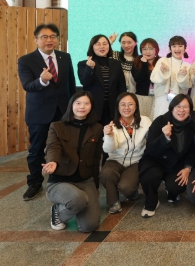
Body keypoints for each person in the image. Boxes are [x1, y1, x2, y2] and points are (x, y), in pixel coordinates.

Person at [17, 23, 77, 201]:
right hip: (39, 114)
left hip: (63, 112)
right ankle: (35, 182)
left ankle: (63, 178)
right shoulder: (26, 60)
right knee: (36, 150)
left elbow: (71, 85)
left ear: (57, 39)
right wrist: (42, 80)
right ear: (36, 40)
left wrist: (73, 109)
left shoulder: (65, 57)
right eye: (44, 37)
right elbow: (28, 86)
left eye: (52, 36)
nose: (49, 40)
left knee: (65, 147)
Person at [42, 91, 102, 232]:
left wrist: (96, 187)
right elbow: (53, 147)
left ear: (91, 106)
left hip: (85, 180)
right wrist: (53, 161)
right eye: (78, 103)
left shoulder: (97, 128)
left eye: (86, 103)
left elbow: (96, 159)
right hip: (60, 181)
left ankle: (75, 205)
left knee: (89, 226)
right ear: (71, 105)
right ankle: (58, 212)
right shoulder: (57, 126)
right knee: (78, 199)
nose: (82, 107)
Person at [138, 94, 195, 218]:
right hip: (155, 160)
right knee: (150, 177)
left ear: (190, 110)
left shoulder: (192, 126)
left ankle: (170, 191)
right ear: (172, 107)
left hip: (175, 163)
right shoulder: (160, 121)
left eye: (185, 107)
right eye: (178, 106)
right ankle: (151, 202)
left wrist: (188, 167)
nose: (181, 110)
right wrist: (164, 138)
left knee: (177, 186)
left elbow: (193, 151)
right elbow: (150, 149)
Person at [100, 92, 151, 214]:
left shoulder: (145, 121)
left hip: (136, 161)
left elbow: (152, 141)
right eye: (123, 105)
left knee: (126, 187)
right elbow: (108, 149)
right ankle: (113, 202)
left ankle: (132, 192)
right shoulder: (112, 125)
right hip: (115, 160)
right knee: (106, 173)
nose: (126, 108)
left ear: (136, 106)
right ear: (118, 107)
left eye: (130, 104)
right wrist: (110, 136)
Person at [77, 34, 127, 126]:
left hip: (112, 109)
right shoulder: (83, 64)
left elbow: (121, 87)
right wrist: (89, 68)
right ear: (92, 47)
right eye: (98, 44)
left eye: (105, 44)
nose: (102, 47)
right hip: (93, 108)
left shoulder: (116, 64)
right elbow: (85, 83)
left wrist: (123, 105)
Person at [150, 36, 191, 119]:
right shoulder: (163, 61)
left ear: (185, 48)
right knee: (161, 120)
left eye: (180, 46)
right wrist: (163, 72)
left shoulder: (187, 66)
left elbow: (187, 86)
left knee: (176, 121)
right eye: (174, 46)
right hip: (162, 98)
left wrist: (183, 76)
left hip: (179, 101)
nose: (177, 49)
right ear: (170, 49)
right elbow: (154, 79)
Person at [132, 38, 161, 119]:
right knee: (142, 120)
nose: (148, 52)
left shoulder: (161, 62)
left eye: (151, 49)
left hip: (158, 97)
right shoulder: (137, 62)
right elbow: (138, 79)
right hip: (142, 97)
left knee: (155, 119)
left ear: (156, 50)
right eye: (145, 49)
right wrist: (144, 64)